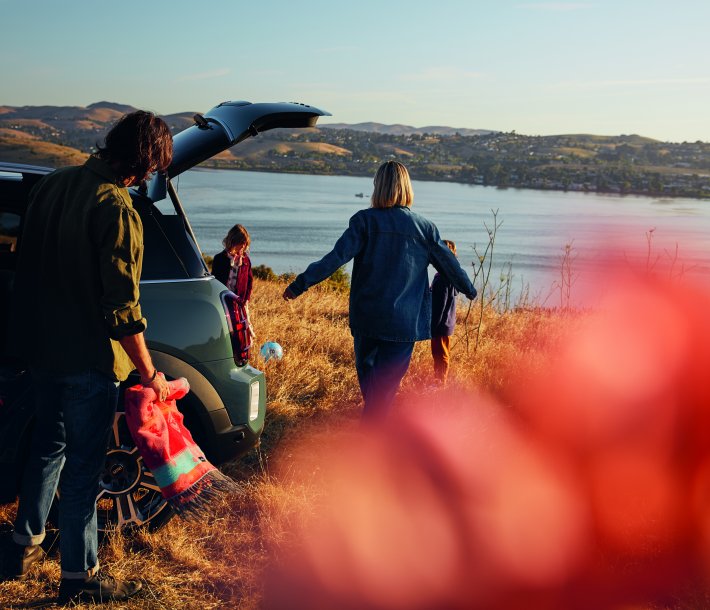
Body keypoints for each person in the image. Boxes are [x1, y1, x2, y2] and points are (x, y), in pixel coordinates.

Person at [4, 110, 173, 604]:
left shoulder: (53, 184)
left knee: (46, 451)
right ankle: (80, 579)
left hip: (40, 352)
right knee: (82, 471)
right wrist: (150, 373)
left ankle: (22, 548)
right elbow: (122, 308)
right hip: (87, 361)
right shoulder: (118, 208)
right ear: (144, 163)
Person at [283, 161, 477, 421]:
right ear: (407, 188)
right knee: (383, 392)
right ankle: (373, 436)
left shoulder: (364, 221)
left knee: (372, 388)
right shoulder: (425, 229)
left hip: (368, 319)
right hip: (403, 324)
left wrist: (300, 285)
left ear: (379, 187)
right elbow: (450, 266)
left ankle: (370, 436)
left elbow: (335, 258)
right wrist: (470, 290)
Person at [212, 224, 256, 352]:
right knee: (225, 327)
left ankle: (243, 350)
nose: (243, 246)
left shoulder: (246, 260)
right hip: (224, 301)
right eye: (241, 243)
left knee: (242, 327)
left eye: (245, 243)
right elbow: (215, 280)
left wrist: (246, 299)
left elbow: (250, 281)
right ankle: (224, 349)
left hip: (240, 301)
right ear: (233, 241)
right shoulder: (220, 259)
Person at [430, 239, 460, 384]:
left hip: (440, 324)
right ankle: (439, 381)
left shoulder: (442, 278)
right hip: (447, 322)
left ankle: (440, 382)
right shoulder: (451, 276)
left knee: (440, 354)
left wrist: (432, 326)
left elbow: (439, 306)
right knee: (441, 353)